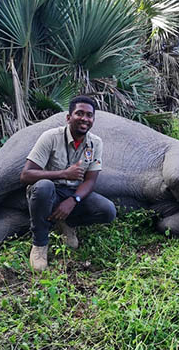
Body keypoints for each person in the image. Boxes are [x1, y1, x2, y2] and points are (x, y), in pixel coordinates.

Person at [20, 96, 116, 271]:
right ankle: (39, 244)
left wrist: (73, 201)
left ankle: (68, 223)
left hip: (72, 193)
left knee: (108, 210)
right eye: (79, 113)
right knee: (43, 187)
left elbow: (90, 180)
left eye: (89, 115)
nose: (84, 119)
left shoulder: (95, 143)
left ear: (93, 119)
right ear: (68, 117)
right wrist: (63, 173)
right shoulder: (50, 137)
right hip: (49, 193)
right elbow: (26, 175)